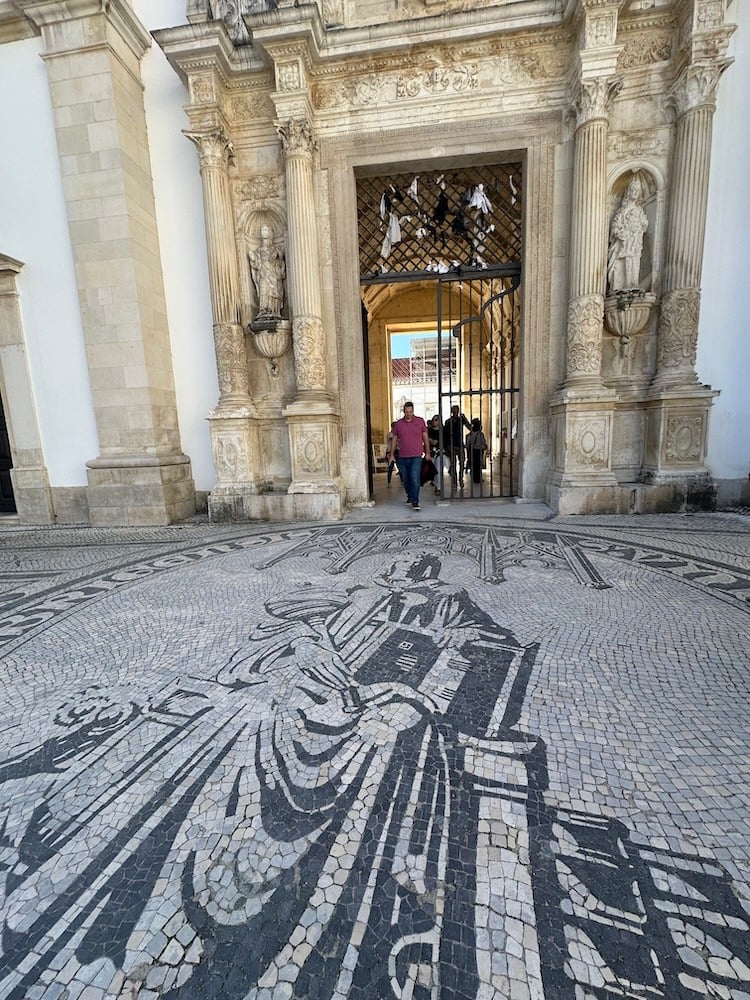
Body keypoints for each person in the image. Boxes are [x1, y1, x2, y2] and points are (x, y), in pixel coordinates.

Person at [607, 178, 648, 292]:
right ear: (629, 191)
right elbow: (615, 226)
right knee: (625, 260)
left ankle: (632, 283)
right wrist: (620, 233)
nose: (635, 192)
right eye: (633, 189)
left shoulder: (639, 210)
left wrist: (638, 227)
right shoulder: (622, 211)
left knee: (634, 261)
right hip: (624, 242)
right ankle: (623, 284)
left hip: (635, 241)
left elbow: (644, 225)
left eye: (637, 190)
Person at [388, 402, 431, 510]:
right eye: (407, 412)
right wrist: (391, 455)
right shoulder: (398, 424)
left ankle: (415, 501)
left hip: (416, 456)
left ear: (413, 411)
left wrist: (428, 452)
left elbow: (425, 438)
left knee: (414, 477)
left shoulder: (420, 422)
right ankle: (410, 496)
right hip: (402, 457)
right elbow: (394, 440)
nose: (409, 414)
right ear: (404, 411)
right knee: (406, 480)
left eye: (410, 412)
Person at [249, 224, 285, 318]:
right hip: (263, 274)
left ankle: (274, 311)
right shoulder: (259, 250)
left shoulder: (275, 249)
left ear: (270, 232)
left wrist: (279, 258)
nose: (263, 232)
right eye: (262, 230)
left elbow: (280, 263)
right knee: (263, 291)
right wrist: (253, 258)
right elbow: (256, 264)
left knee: (273, 292)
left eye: (265, 230)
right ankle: (263, 310)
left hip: (273, 274)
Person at [443, 405, 471, 486]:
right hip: (451, 445)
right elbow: (446, 434)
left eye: (457, 410)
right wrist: (447, 446)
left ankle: (461, 478)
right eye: (454, 410)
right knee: (453, 464)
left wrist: (465, 418)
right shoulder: (448, 421)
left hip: (460, 445)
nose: (455, 412)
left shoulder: (461, 420)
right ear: (451, 411)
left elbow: (470, 428)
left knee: (462, 462)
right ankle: (454, 480)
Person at [466, 417, 488, 486]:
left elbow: (468, 443)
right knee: (478, 465)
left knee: (474, 465)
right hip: (478, 450)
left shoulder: (471, 434)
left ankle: (475, 478)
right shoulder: (480, 434)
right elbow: (483, 442)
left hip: (473, 450)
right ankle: (478, 478)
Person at [427, 414, 442, 495]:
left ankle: (439, 487)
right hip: (431, 453)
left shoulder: (442, 430)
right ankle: (436, 484)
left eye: (436, 420)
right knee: (433, 471)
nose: (434, 421)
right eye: (433, 419)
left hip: (440, 453)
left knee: (438, 471)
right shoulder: (429, 430)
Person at [385, 421, 399, 486]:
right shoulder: (390, 434)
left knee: (400, 466)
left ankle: (402, 481)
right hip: (390, 451)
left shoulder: (397, 434)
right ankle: (389, 482)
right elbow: (392, 439)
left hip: (397, 451)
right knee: (390, 466)